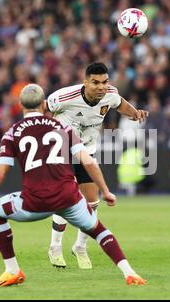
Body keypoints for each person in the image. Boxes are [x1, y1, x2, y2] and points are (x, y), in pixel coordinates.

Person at [0, 84, 146, 287]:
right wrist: (107, 191)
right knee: (100, 230)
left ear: (20, 105)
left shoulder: (12, 133)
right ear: (43, 104)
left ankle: (12, 270)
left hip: (34, 203)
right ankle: (130, 273)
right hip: (68, 199)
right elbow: (88, 161)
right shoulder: (64, 128)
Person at [45, 62, 148, 269]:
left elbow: (120, 104)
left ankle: (80, 247)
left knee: (92, 202)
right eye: (95, 83)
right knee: (65, 198)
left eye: (104, 82)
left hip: (87, 152)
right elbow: (41, 108)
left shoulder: (109, 94)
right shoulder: (65, 96)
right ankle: (55, 246)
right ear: (85, 82)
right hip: (62, 152)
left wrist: (134, 113)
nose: (101, 87)